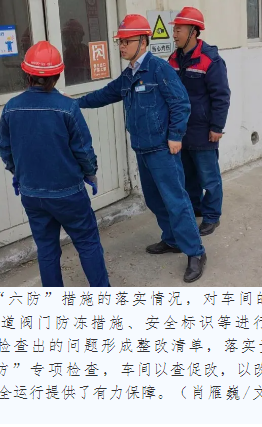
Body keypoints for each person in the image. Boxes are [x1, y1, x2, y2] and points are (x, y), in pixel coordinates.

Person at [77, 14, 207, 283]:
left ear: (143, 42)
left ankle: (196, 252)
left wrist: (175, 135)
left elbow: (181, 103)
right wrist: (75, 103)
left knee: (176, 200)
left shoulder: (159, 69)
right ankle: (172, 240)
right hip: (142, 148)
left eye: (127, 41)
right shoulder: (129, 75)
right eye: (120, 42)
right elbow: (105, 94)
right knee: (154, 199)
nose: (122, 46)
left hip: (162, 150)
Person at [0, 41, 110, 287]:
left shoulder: (11, 108)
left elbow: (4, 150)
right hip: (69, 194)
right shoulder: (67, 108)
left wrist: (20, 174)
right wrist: (90, 173)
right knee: (87, 242)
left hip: (32, 194)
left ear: (27, 74)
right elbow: (84, 151)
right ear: (58, 75)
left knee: (47, 250)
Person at [168, 7, 231, 237]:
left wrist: (217, 127)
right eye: (174, 29)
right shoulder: (173, 59)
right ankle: (196, 209)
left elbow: (221, 96)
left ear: (193, 32)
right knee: (188, 175)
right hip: (181, 130)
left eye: (179, 30)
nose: (174, 34)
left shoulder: (210, 60)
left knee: (208, 177)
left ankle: (212, 216)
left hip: (204, 130)